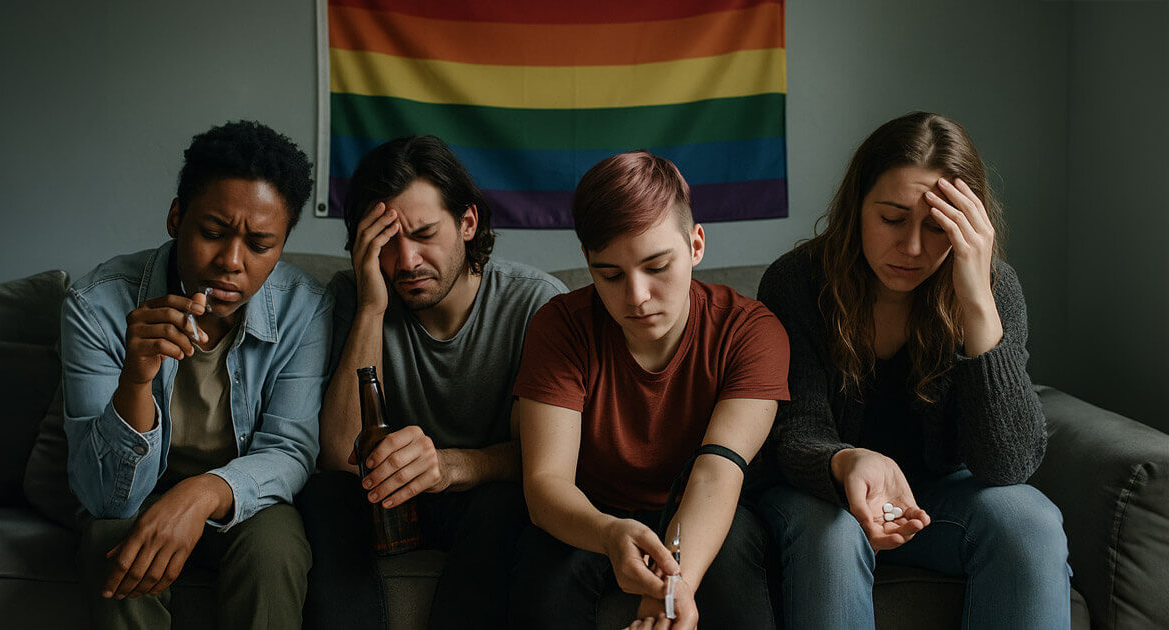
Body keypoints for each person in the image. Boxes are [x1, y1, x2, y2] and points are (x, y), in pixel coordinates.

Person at [754, 111, 1071, 628]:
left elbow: (1007, 465)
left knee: (1030, 521)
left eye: (938, 226)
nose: (913, 248)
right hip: (820, 498)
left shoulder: (994, 290)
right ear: (857, 207)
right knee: (835, 534)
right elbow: (792, 430)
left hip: (936, 501)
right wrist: (846, 461)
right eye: (892, 219)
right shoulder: (796, 283)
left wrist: (976, 301)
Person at [63, 120, 330, 629]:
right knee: (110, 540)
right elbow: (103, 498)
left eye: (260, 245)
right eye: (212, 233)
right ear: (175, 217)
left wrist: (201, 493)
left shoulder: (305, 307)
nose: (231, 262)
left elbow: (290, 450)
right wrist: (135, 380)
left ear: (282, 245)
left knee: (274, 547)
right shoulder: (95, 304)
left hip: (243, 499)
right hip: (136, 498)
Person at [510, 151, 789, 629]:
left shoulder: (750, 331)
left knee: (735, 562)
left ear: (696, 245)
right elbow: (546, 484)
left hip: (702, 502)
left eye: (657, 266)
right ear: (588, 263)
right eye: (610, 275)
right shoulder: (560, 327)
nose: (636, 297)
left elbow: (716, 474)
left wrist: (674, 585)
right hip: (591, 510)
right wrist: (609, 533)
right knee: (544, 577)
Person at [297, 135, 566, 629]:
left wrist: (449, 466)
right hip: (384, 504)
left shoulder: (536, 305)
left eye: (424, 234)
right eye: (386, 242)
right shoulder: (354, 297)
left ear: (468, 222)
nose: (407, 261)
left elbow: (548, 459)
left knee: (508, 504)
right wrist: (372, 308)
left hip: (485, 503)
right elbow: (338, 456)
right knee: (326, 496)